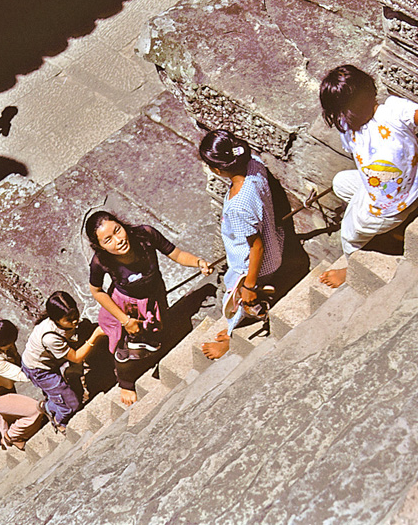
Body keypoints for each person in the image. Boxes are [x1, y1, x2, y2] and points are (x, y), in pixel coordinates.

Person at [317, 65, 418, 288]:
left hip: (395, 207)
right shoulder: (378, 115)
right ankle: (390, 227)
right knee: (340, 183)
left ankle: (351, 270)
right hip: (409, 185)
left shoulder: (382, 114)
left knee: (348, 234)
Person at [86, 211, 212, 405]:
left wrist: (198, 262)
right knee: (126, 345)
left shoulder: (145, 235)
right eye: (108, 240)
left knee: (154, 331)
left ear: (122, 225)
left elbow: (176, 254)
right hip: (126, 305)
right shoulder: (101, 261)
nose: (118, 241)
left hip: (153, 293)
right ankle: (125, 382)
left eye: (118, 231)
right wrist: (124, 320)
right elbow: (96, 291)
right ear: (100, 246)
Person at [198, 130, 288, 360]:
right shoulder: (254, 164)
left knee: (237, 304)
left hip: (250, 267)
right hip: (275, 244)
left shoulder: (238, 205)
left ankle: (232, 339)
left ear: (218, 169)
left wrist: (248, 285)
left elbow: (255, 247)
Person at [21, 291, 107, 433]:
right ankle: (56, 417)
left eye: (75, 316)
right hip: (39, 370)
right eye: (69, 319)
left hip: (49, 361)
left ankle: (55, 399)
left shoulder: (61, 326)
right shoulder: (50, 337)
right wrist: (95, 335)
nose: (75, 321)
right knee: (71, 405)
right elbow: (77, 357)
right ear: (56, 319)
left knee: (65, 393)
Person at [0, 320, 45, 450]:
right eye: (9, 343)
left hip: (0, 385)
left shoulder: (0, 344)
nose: (12, 344)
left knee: (4, 413)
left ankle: (6, 440)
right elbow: (20, 375)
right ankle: (11, 436)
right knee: (35, 410)